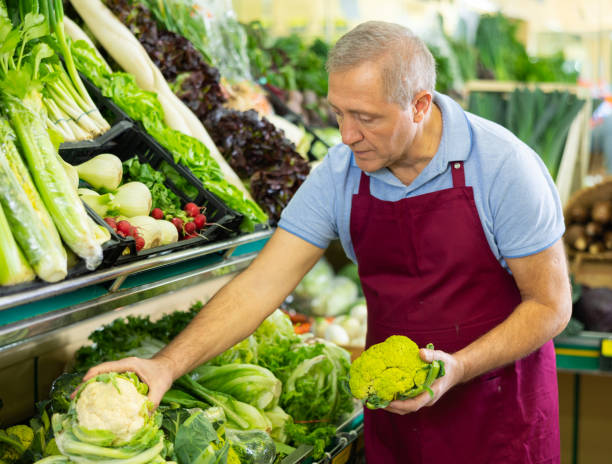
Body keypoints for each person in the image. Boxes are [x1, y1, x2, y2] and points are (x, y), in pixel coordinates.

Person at [83, 21, 572, 464]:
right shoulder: (341, 175)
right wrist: (166, 366)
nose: (347, 135)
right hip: (397, 425)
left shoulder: (503, 166)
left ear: (420, 104)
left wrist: (458, 367)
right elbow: (259, 287)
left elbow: (550, 306)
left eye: (366, 118)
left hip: (500, 426)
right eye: (338, 113)